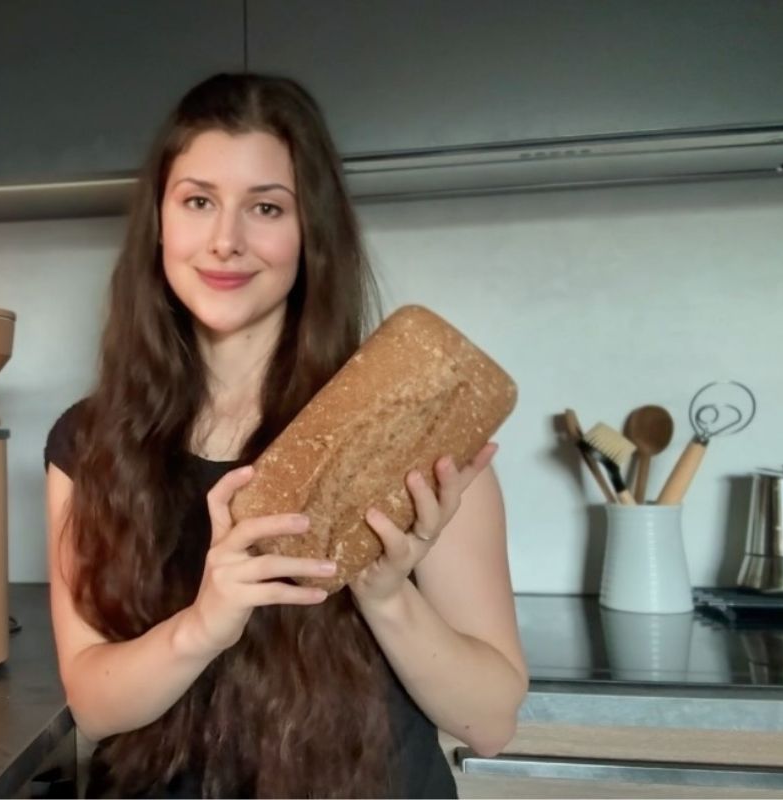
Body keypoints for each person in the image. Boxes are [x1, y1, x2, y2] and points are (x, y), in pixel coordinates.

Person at [43, 72, 527, 799]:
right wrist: (205, 623)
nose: (226, 240)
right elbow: (95, 703)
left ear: (312, 232)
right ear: (160, 223)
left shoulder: (413, 432)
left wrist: (387, 593)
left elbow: (490, 722)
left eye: (266, 207)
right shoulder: (90, 443)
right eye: (199, 201)